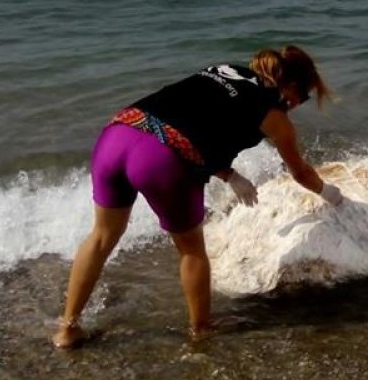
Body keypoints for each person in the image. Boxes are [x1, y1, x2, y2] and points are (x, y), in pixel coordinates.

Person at [51, 45, 343, 348]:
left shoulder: (223, 70)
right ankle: (201, 330)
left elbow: (189, 125)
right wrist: (333, 196)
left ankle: (67, 328)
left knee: (101, 237)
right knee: (191, 251)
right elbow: (300, 173)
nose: (299, 104)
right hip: (160, 160)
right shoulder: (275, 117)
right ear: (292, 87)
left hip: (118, 134)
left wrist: (229, 174)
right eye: (305, 97)